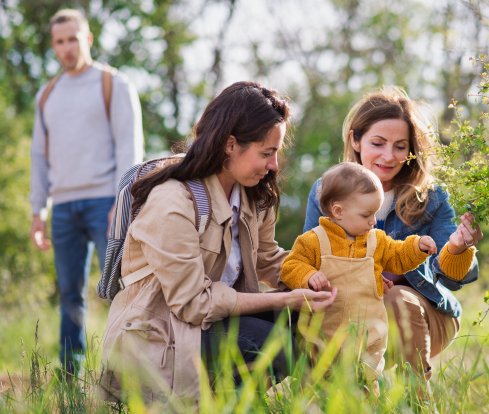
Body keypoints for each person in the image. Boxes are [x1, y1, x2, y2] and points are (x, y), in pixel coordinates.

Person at [100, 81, 337, 404]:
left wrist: (332, 273)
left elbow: (268, 259)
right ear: (229, 145)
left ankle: (238, 402)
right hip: (165, 334)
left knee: (305, 320)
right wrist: (283, 300)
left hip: (214, 322)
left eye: (276, 153)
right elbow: (193, 304)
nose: (274, 166)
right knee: (274, 343)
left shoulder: (252, 194)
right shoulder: (173, 200)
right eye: (266, 153)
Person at [304, 87, 483, 386]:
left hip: (425, 316)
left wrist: (457, 248)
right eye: (378, 143)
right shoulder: (326, 193)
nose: (389, 156)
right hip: (353, 314)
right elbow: (311, 262)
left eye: (400, 146)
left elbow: (450, 277)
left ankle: (418, 399)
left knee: (396, 296)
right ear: (355, 140)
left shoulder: (432, 196)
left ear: (412, 150)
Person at [28, 9, 144, 373]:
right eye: (59, 41)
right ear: (53, 45)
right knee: (69, 294)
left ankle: (128, 373)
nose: (66, 47)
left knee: (123, 288)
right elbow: (39, 158)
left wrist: (121, 202)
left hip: (106, 202)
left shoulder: (114, 84)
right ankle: (71, 376)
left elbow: (130, 148)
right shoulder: (46, 95)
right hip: (62, 207)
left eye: (72, 39)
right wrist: (38, 211)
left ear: (88, 39)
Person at [281, 162, 439, 394]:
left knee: (365, 386)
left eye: (375, 213)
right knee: (317, 388)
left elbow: (398, 256)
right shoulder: (312, 241)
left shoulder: (377, 241)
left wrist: (416, 247)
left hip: (368, 338)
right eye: (367, 214)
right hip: (323, 334)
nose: (373, 221)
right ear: (338, 211)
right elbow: (290, 266)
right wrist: (308, 275)